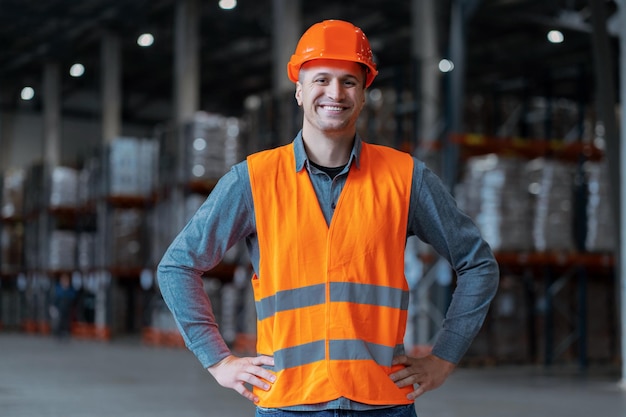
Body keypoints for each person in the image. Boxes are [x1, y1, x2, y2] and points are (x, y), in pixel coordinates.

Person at [157, 19, 499, 417]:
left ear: (364, 93)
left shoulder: (405, 177)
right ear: (299, 91)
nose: (334, 93)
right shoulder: (253, 180)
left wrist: (443, 359)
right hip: (289, 404)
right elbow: (177, 265)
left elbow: (478, 264)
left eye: (349, 81)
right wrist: (218, 361)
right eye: (321, 79)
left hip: (382, 403)